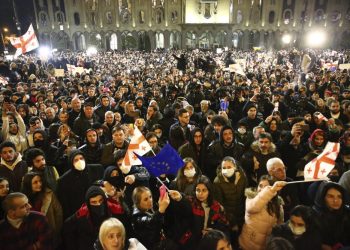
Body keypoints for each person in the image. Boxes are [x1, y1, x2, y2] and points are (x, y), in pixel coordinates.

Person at [63, 185, 129, 250]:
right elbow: (68, 230)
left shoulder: (115, 210)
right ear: (88, 204)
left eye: (101, 200)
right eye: (94, 202)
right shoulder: (82, 216)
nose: (98, 204)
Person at [239, 175, 286, 250]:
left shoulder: (277, 203)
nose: (262, 189)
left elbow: (279, 224)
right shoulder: (251, 196)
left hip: (265, 246)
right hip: (248, 245)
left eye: (266, 187)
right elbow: (252, 208)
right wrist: (270, 190)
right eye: (260, 186)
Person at [57, 149, 104, 219]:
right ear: (71, 163)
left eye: (81, 158)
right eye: (76, 160)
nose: (80, 161)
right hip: (80, 214)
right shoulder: (63, 180)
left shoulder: (97, 169)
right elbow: (66, 205)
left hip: (98, 208)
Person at [21, 172, 63, 245]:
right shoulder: (22, 199)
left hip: (49, 233)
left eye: (40, 181)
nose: (39, 184)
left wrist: (56, 230)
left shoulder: (49, 194)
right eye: (35, 182)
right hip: (31, 237)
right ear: (28, 184)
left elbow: (58, 213)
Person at [213, 156, 247, 234]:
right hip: (228, 217)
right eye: (224, 168)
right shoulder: (217, 182)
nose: (226, 170)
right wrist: (232, 222)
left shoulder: (242, 177)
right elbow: (220, 204)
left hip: (242, 214)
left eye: (229, 167)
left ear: (235, 167)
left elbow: (245, 196)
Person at [312, 181, 350, 249]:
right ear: (322, 198)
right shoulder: (313, 215)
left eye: (339, 197)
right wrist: (321, 245)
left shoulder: (347, 212)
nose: (336, 200)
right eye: (330, 196)